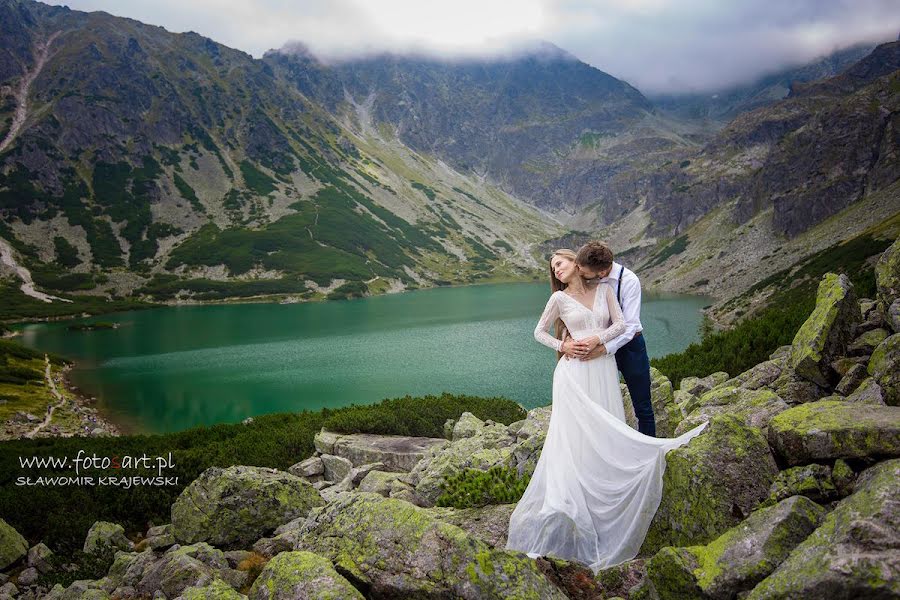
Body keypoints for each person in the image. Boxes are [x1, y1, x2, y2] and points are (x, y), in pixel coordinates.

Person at [505, 249, 707, 572]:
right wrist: (564, 346)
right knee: (578, 436)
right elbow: (538, 332)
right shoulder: (557, 300)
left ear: (575, 263)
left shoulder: (606, 289)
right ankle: (580, 497)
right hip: (573, 374)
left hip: (602, 367)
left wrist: (597, 339)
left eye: (560, 263)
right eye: (552, 268)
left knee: (608, 425)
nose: (556, 270)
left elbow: (622, 324)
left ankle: (609, 486)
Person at [573, 241, 656, 436]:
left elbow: (631, 326)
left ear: (600, 272)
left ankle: (649, 450)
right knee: (600, 401)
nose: (579, 273)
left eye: (582, 271)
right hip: (597, 346)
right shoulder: (588, 279)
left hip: (630, 347)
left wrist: (604, 347)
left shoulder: (629, 280)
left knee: (642, 404)